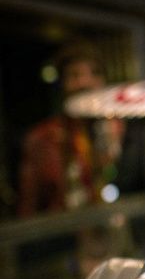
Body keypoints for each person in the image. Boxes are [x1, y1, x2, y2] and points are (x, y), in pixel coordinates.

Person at [18, 42, 124, 216]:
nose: (85, 82)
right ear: (62, 85)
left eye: (95, 73)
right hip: (65, 236)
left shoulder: (121, 130)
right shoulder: (43, 137)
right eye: (74, 75)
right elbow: (28, 208)